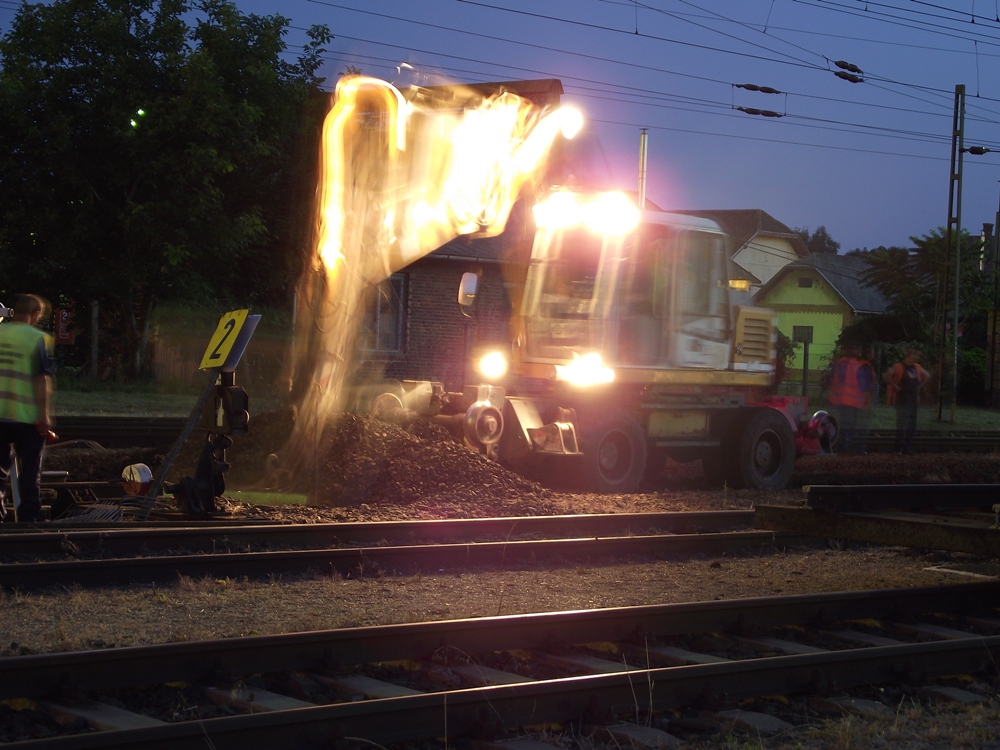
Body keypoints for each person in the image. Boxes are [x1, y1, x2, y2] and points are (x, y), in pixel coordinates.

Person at [0, 295, 55, 522]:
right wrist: (44, 417)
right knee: (30, 471)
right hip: (28, 417)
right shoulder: (39, 338)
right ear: (35, 315)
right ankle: (29, 517)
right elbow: (41, 380)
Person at [827, 341, 876, 455]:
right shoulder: (862, 366)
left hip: (841, 400)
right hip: (856, 402)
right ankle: (849, 448)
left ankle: (844, 447)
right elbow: (866, 386)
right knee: (853, 426)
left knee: (845, 425)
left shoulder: (841, 362)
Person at [883, 348, 930, 455]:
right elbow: (887, 375)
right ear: (909, 355)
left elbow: (927, 375)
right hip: (902, 399)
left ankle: (905, 447)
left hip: (913, 400)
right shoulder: (899, 366)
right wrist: (895, 385)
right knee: (902, 425)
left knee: (911, 425)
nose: (917, 358)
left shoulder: (917, 367)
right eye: (915, 355)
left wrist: (919, 386)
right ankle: (898, 448)